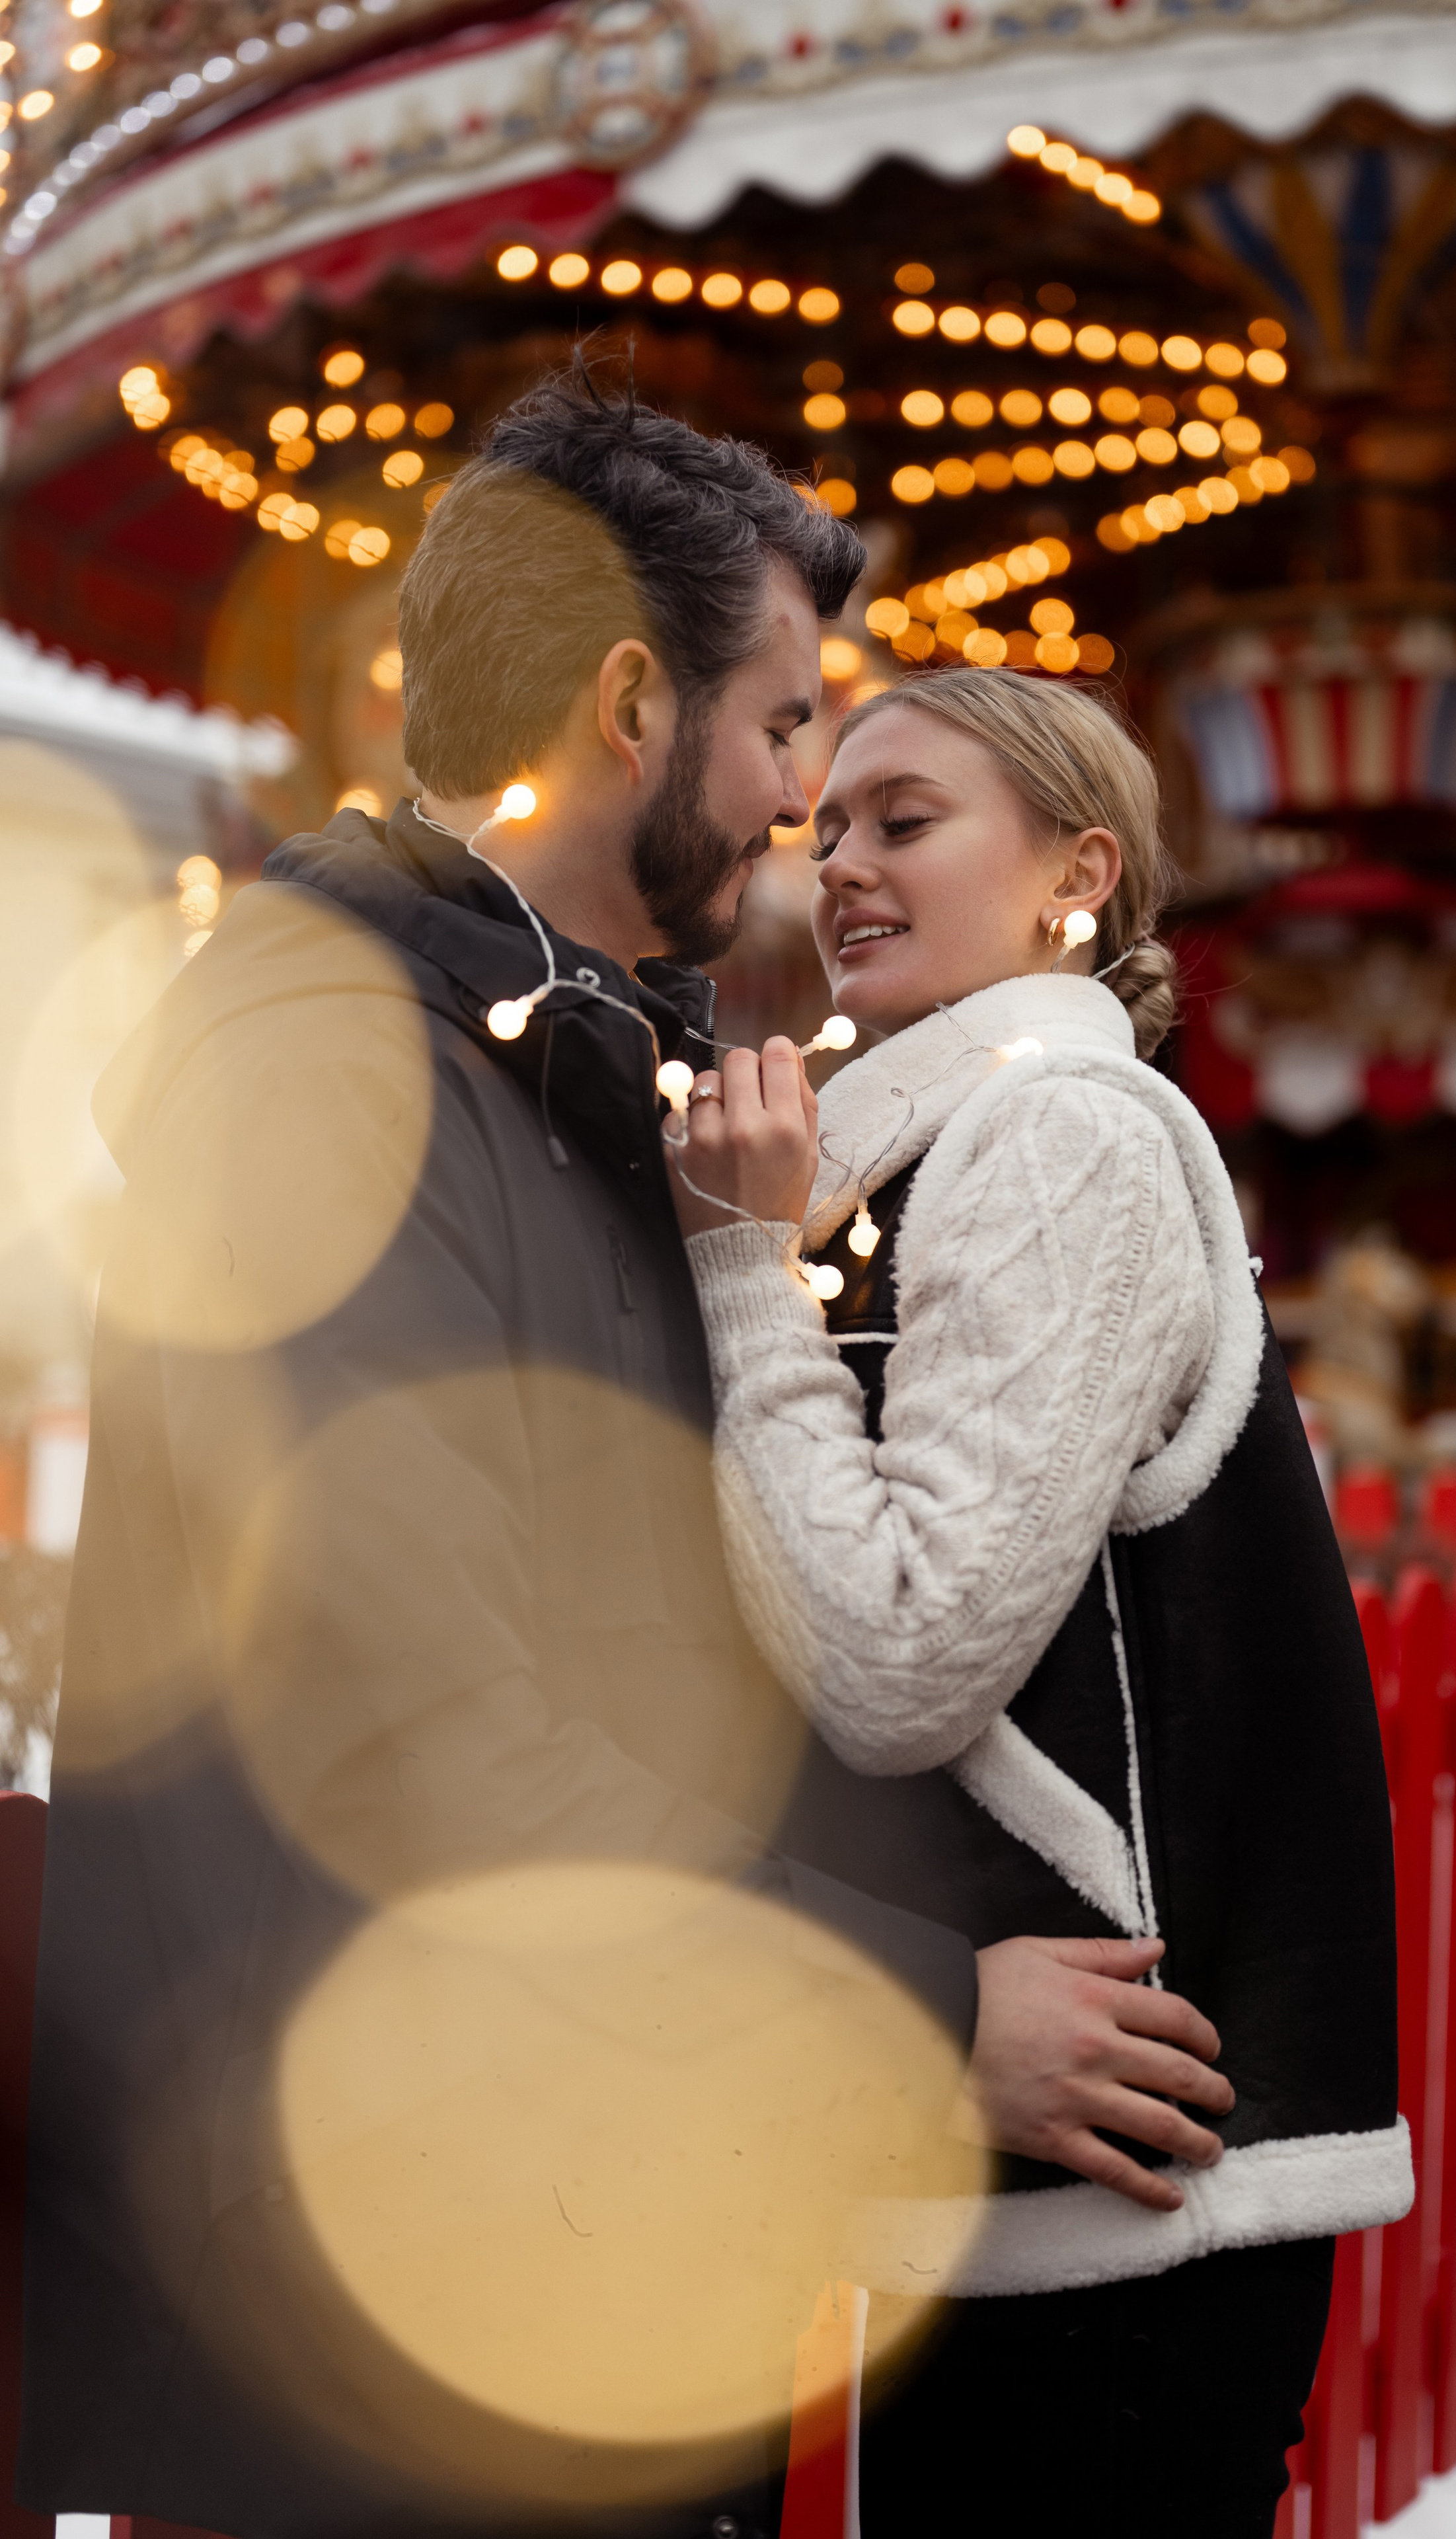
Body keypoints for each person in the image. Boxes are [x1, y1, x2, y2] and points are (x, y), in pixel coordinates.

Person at [19, 373, 1231, 2539]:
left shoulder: (558, 1054)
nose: (801, 802)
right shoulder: (335, 1080)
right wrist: (919, 2008)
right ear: (625, 700)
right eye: (783, 727)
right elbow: (417, 1725)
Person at [670, 666, 1412, 2536]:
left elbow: (904, 1652)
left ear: (1077, 873)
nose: (838, 859)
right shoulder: (942, 1140)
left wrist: (746, 1280)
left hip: (1119, 2199)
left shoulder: (1055, 1134)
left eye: (905, 819)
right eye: (827, 821)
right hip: (1066, 2177)